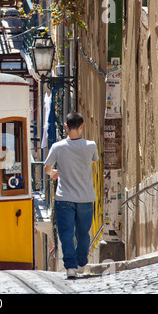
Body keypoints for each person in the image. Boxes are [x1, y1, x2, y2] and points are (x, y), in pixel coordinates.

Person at [44, 112, 99, 278]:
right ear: (82, 126)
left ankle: (70, 267)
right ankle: (81, 262)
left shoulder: (57, 147)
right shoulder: (91, 146)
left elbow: (47, 169)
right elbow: (89, 162)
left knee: (66, 234)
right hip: (85, 198)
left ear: (66, 126)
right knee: (83, 233)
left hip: (64, 198)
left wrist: (55, 173)